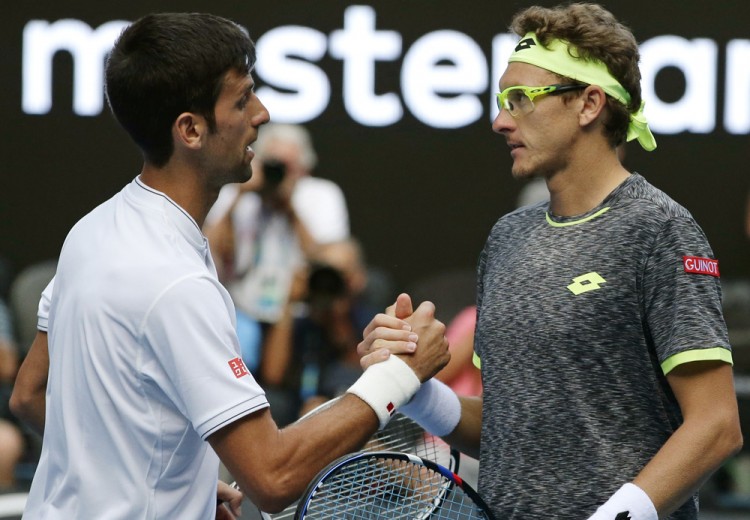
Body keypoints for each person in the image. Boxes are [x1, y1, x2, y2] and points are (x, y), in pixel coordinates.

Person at [9, 13, 449, 519]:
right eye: (241, 100)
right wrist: (400, 374)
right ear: (191, 130)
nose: (260, 114)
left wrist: (179, 484)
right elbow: (273, 477)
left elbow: (29, 394)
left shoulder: (91, 229)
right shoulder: (176, 281)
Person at [361, 3, 743, 519]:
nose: (500, 121)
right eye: (501, 101)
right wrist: (415, 388)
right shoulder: (506, 237)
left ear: (588, 104)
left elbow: (717, 425)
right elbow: (507, 432)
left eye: (521, 99)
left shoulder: (661, 230)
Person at [203, 123, 349, 332]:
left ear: (304, 169)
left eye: (287, 167)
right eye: (272, 164)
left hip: (301, 305)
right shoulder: (235, 192)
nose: (278, 173)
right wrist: (238, 198)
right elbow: (210, 251)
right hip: (238, 303)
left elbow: (325, 261)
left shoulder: (321, 195)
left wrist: (290, 210)